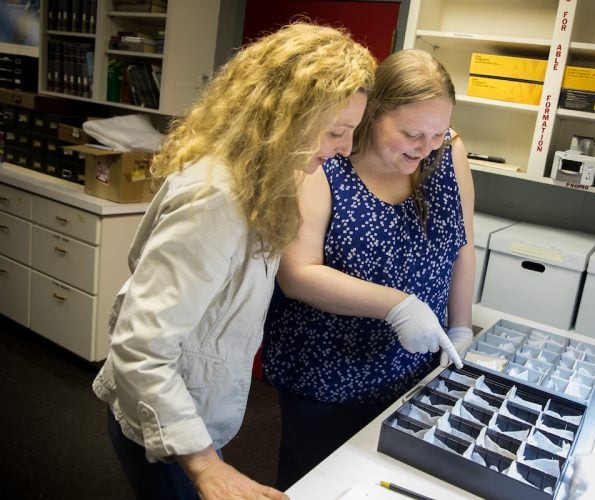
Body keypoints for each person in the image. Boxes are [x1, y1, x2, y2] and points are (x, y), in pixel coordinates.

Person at [91, 23, 376, 500]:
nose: (345, 148)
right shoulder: (215, 200)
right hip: (165, 427)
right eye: (337, 132)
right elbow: (140, 346)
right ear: (288, 120)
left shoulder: (261, 180)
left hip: (190, 412)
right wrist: (205, 467)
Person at [262, 48, 476, 490]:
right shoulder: (325, 161)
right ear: (374, 114)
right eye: (413, 133)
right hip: (329, 376)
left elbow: (463, 244)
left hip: (415, 369)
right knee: (321, 486)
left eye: (438, 132)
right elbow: (298, 272)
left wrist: (461, 328)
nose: (427, 146)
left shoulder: (447, 152)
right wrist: (395, 306)